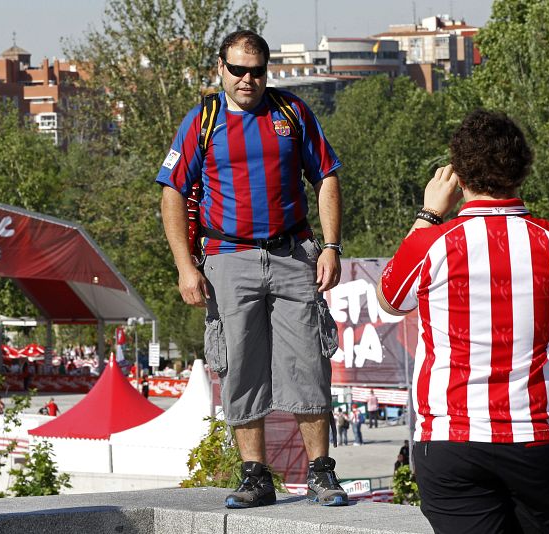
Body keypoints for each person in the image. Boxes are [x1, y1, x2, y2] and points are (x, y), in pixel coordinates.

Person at [157, 29, 346, 509]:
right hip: (228, 258)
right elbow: (172, 192)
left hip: (292, 253)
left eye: (256, 71)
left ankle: (321, 473)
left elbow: (326, 176)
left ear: (267, 72)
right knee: (239, 366)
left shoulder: (292, 113)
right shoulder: (204, 120)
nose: (247, 79)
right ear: (219, 69)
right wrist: (185, 265)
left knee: (308, 362)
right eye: (237, 69)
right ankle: (255, 475)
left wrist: (331, 246)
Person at [377, 110, 549, 533]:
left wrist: (430, 214)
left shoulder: (434, 242)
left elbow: (391, 299)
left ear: (459, 175)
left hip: (453, 440)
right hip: (537, 437)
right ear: (522, 170)